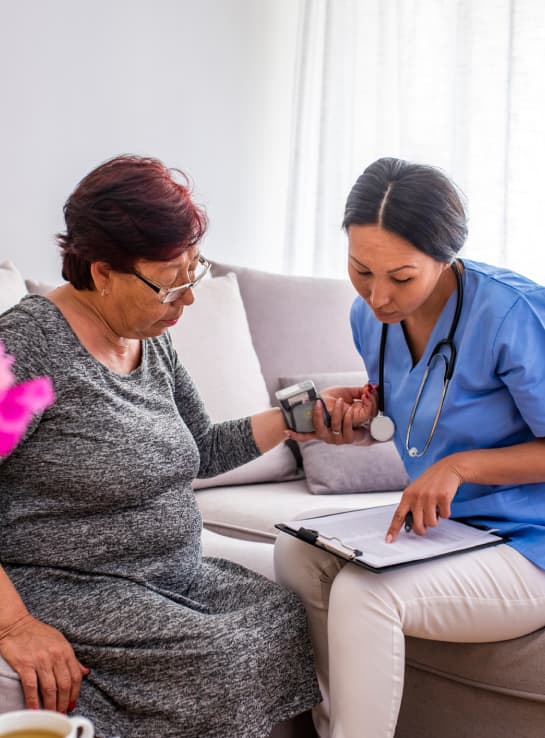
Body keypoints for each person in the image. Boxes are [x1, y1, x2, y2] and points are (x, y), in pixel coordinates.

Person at [0, 154, 326, 738]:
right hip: (71, 581)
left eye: (192, 274)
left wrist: (297, 420)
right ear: (102, 272)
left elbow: (199, 446)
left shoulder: (147, 338)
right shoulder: (25, 349)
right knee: (222, 655)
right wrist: (13, 626)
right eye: (171, 282)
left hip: (170, 576)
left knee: (281, 617)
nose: (188, 300)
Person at [274, 157, 545, 738]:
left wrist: (461, 466)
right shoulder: (368, 319)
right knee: (295, 553)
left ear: (446, 256)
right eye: (360, 270)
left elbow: (457, 448)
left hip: (531, 540)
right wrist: (365, 411)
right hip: (454, 526)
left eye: (401, 277)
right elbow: (417, 406)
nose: (378, 296)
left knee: (366, 594)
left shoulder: (512, 313)